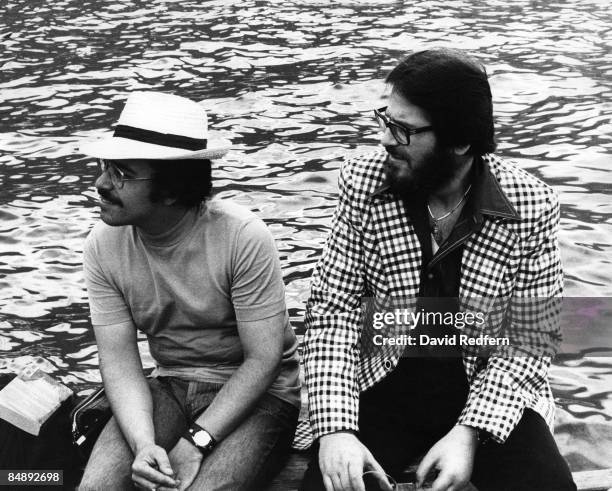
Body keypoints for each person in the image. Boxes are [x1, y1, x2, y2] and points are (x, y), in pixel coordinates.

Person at [300, 49, 576, 491]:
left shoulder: (531, 205)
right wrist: (336, 430)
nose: (385, 140)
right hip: (384, 380)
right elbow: (333, 312)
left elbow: (531, 340)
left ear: (461, 141)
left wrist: (470, 434)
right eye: (385, 120)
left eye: (404, 130)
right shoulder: (363, 181)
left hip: (484, 385)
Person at [77, 91, 300, 491]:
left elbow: (263, 361)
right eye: (105, 167)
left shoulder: (242, 236)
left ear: (172, 190)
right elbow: (121, 364)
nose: (101, 183)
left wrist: (196, 441)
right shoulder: (102, 245)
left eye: (122, 174)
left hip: (259, 396)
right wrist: (144, 445)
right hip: (170, 384)